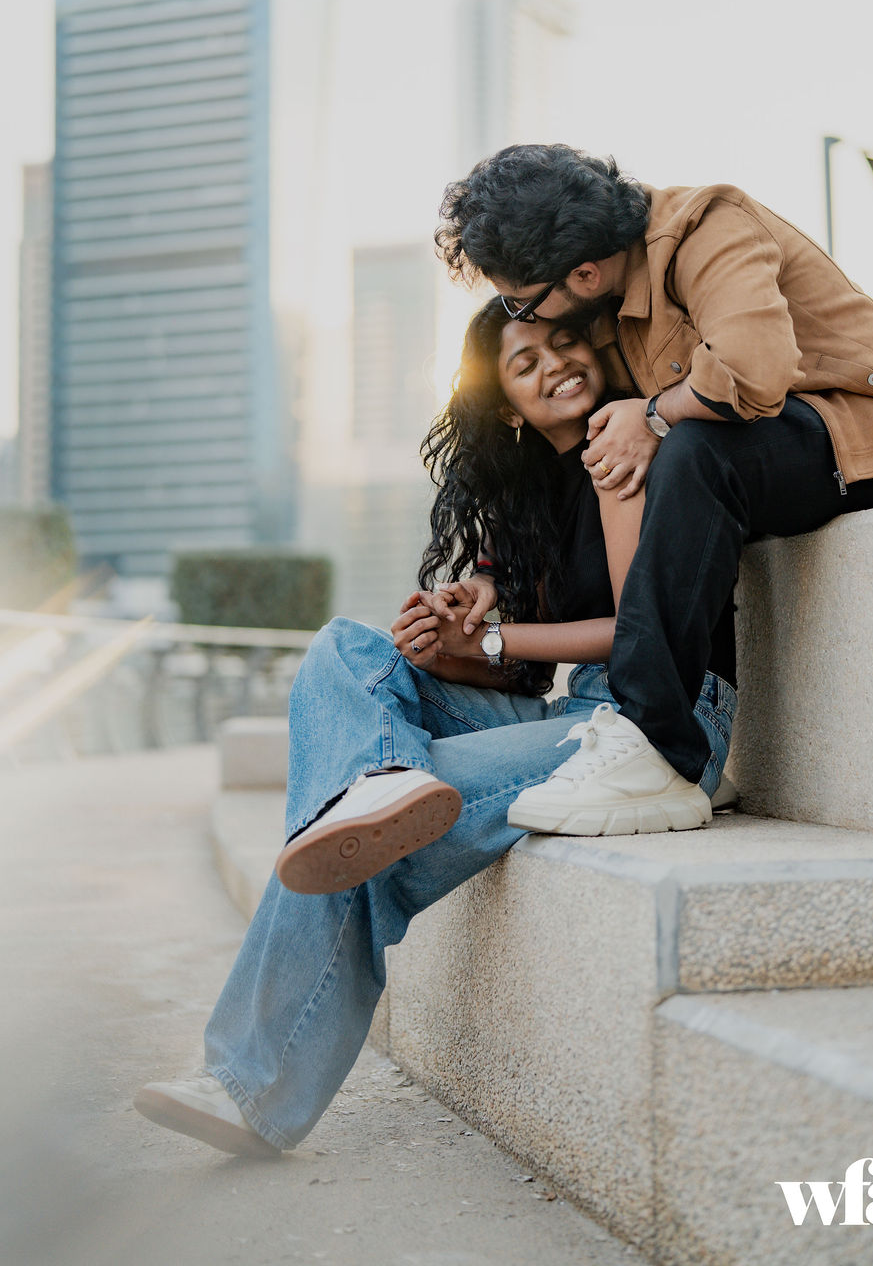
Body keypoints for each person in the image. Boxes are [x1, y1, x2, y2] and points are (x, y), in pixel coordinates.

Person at [134, 299, 737, 1157]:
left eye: (563, 342)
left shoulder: (624, 446)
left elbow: (643, 628)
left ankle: (250, 1086)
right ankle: (377, 782)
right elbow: (508, 652)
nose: (552, 366)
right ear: (505, 403)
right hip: (581, 714)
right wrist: (456, 629)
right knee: (348, 655)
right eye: (523, 364)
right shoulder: (527, 496)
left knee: (358, 839)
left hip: (657, 719)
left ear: (599, 344)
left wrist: (488, 636)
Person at [433, 143, 873, 828]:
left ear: (585, 273)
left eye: (519, 299)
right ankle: (688, 755)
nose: (521, 313)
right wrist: (491, 576)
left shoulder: (706, 227)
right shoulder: (605, 303)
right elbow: (557, 425)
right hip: (775, 453)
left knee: (692, 447)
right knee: (681, 458)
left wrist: (652, 414)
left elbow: (753, 369)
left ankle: (657, 747)